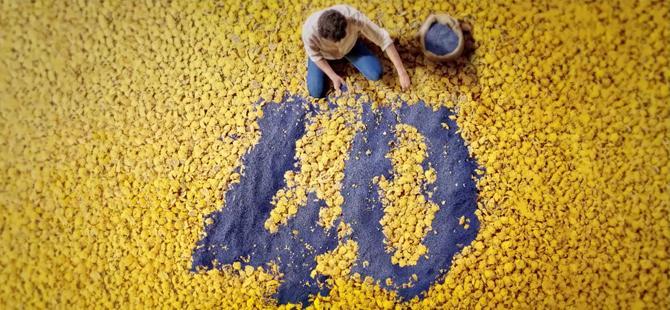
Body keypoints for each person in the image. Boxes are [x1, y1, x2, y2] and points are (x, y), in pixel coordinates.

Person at [302, 5, 410, 98]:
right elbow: (315, 55)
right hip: (324, 55)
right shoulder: (309, 32)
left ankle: (356, 50)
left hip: (350, 47)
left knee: (376, 73)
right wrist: (333, 76)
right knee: (315, 92)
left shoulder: (354, 17)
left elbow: (383, 39)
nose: (336, 45)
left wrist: (401, 72)